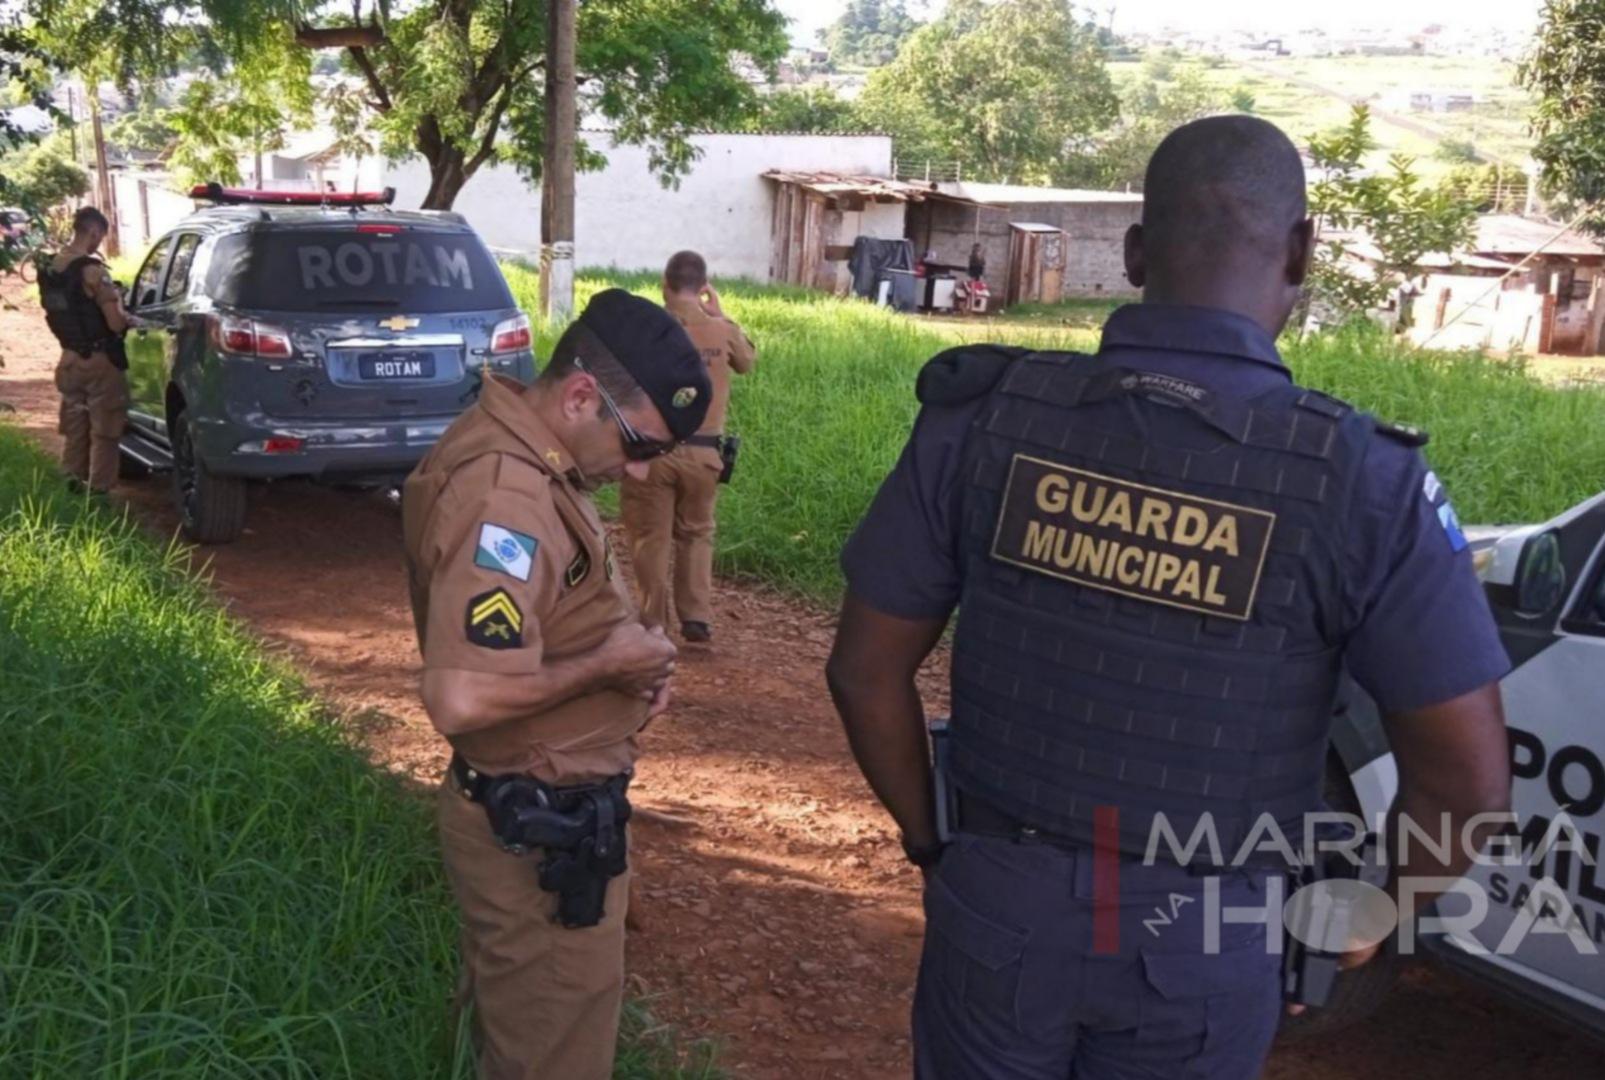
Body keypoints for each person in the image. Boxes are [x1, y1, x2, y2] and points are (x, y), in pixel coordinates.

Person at [825, 115, 1513, 1080]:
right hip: (1205, 929)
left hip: (998, 889)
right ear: (1302, 252)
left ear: (1137, 252)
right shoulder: (1361, 479)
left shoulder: (982, 419)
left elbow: (863, 673)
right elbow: (1466, 785)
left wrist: (933, 842)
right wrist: (1367, 915)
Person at [401, 288, 711, 1080]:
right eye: (640, 443)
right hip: (536, 834)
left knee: (521, 1040)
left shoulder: (540, 458)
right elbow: (462, 696)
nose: (641, 469)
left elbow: (551, 607)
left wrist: (625, 655)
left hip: (552, 819)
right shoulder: (504, 496)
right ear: (581, 395)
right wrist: (609, 668)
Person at [618, 251, 756, 643]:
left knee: (650, 536)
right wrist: (718, 314)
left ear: (664, 285)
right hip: (704, 454)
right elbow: (746, 362)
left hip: (653, 453)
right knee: (697, 532)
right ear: (703, 286)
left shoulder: (647, 328)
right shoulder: (721, 330)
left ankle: (653, 621)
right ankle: (696, 617)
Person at [41, 206, 134, 493]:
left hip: (68, 359)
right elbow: (115, 323)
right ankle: (98, 495)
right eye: (100, 237)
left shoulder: (51, 269)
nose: (98, 243)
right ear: (93, 232)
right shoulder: (92, 271)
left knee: (75, 429)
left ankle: (70, 486)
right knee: (105, 432)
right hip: (100, 363)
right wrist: (126, 315)